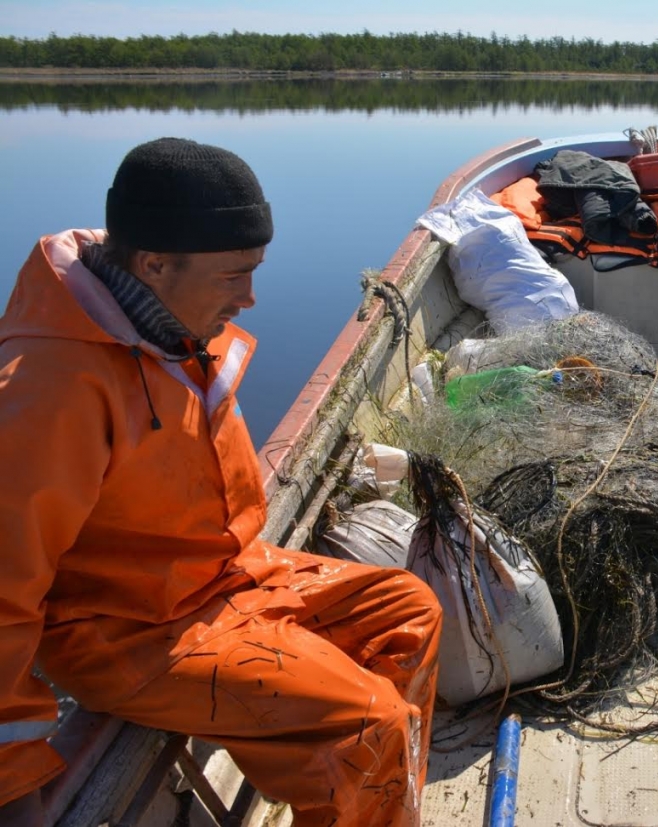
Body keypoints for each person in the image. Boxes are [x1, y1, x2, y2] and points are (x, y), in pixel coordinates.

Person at [0, 138, 442, 827]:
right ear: (152, 264)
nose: (250, 297)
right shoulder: (51, 389)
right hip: (133, 631)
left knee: (408, 609)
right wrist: (11, 781)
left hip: (219, 577)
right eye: (234, 276)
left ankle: (348, 787)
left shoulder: (162, 322)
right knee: (370, 722)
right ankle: (355, 762)